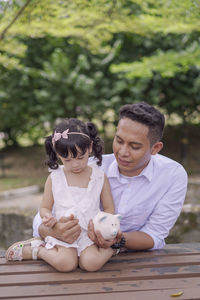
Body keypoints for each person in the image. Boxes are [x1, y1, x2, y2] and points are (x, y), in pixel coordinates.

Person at [32, 102, 188, 253]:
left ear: (155, 148)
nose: (122, 152)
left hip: (137, 260)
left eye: (134, 146)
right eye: (119, 141)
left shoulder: (172, 176)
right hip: (80, 254)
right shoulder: (88, 167)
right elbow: (43, 216)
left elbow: (155, 234)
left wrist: (116, 240)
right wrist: (53, 231)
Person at [6, 118, 117, 272]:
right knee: (66, 264)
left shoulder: (99, 177)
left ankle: (114, 249)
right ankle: (38, 249)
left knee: (91, 264)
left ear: (90, 147)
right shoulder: (55, 178)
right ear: (58, 154)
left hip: (88, 235)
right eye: (68, 160)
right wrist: (48, 218)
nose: (75, 164)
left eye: (80, 157)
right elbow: (45, 207)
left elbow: (109, 207)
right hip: (62, 232)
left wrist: (104, 224)